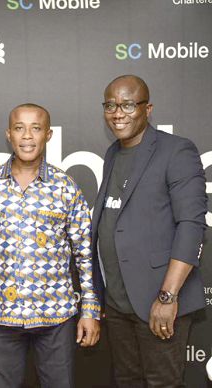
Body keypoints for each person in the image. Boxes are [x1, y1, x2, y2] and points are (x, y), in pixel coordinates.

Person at [0, 103, 101, 388]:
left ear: (48, 135)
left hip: (56, 317)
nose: (27, 136)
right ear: (8, 134)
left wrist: (90, 310)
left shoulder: (65, 186)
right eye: (19, 128)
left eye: (35, 128)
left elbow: (85, 254)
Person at [92, 74, 207, 387]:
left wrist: (167, 297)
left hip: (158, 299)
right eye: (111, 105)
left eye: (128, 105)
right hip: (117, 302)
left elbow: (191, 226)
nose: (118, 113)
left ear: (148, 108)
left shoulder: (177, 151)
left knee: (162, 383)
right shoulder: (113, 154)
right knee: (127, 380)